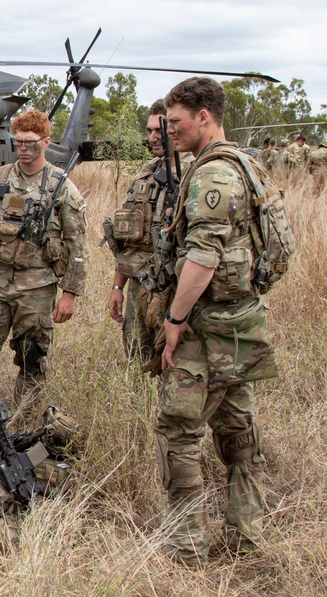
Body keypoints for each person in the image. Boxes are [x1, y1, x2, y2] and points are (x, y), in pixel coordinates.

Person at [158, 77, 280, 566]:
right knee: (237, 427)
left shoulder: (214, 174)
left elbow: (203, 257)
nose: (170, 131)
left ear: (203, 116)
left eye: (176, 122)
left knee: (179, 428)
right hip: (243, 322)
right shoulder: (247, 163)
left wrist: (174, 316)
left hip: (208, 326)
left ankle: (186, 543)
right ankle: (245, 531)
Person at [0, 109, 86, 403]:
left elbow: (77, 246)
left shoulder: (62, 188)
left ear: (46, 142)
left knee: (31, 354)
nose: (23, 148)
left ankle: (24, 420)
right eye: (18, 142)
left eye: (30, 142)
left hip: (37, 286)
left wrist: (70, 294)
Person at [104, 100, 195, 361]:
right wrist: (118, 288)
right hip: (139, 285)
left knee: (177, 357)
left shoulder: (195, 173)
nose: (153, 137)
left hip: (176, 287)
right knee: (136, 355)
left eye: (160, 130)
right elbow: (126, 238)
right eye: (149, 131)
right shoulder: (146, 175)